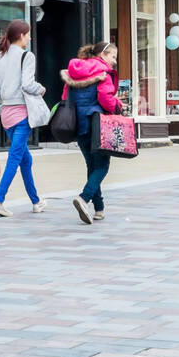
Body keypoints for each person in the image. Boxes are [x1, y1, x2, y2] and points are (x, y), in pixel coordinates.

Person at [0, 19, 46, 216]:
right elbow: (28, 84)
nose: (30, 37)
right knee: (15, 158)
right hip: (21, 114)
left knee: (25, 160)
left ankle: (36, 201)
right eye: (28, 34)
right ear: (21, 36)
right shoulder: (27, 56)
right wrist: (41, 89)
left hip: (6, 116)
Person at [63, 42, 120, 225]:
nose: (114, 61)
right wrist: (118, 105)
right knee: (102, 165)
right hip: (97, 124)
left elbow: (65, 98)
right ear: (103, 55)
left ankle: (99, 209)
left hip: (77, 124)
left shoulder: (75, 70)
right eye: (113, 56)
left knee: (92, 166)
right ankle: (84, 198)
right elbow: (105, 99)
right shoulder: (103, 73)